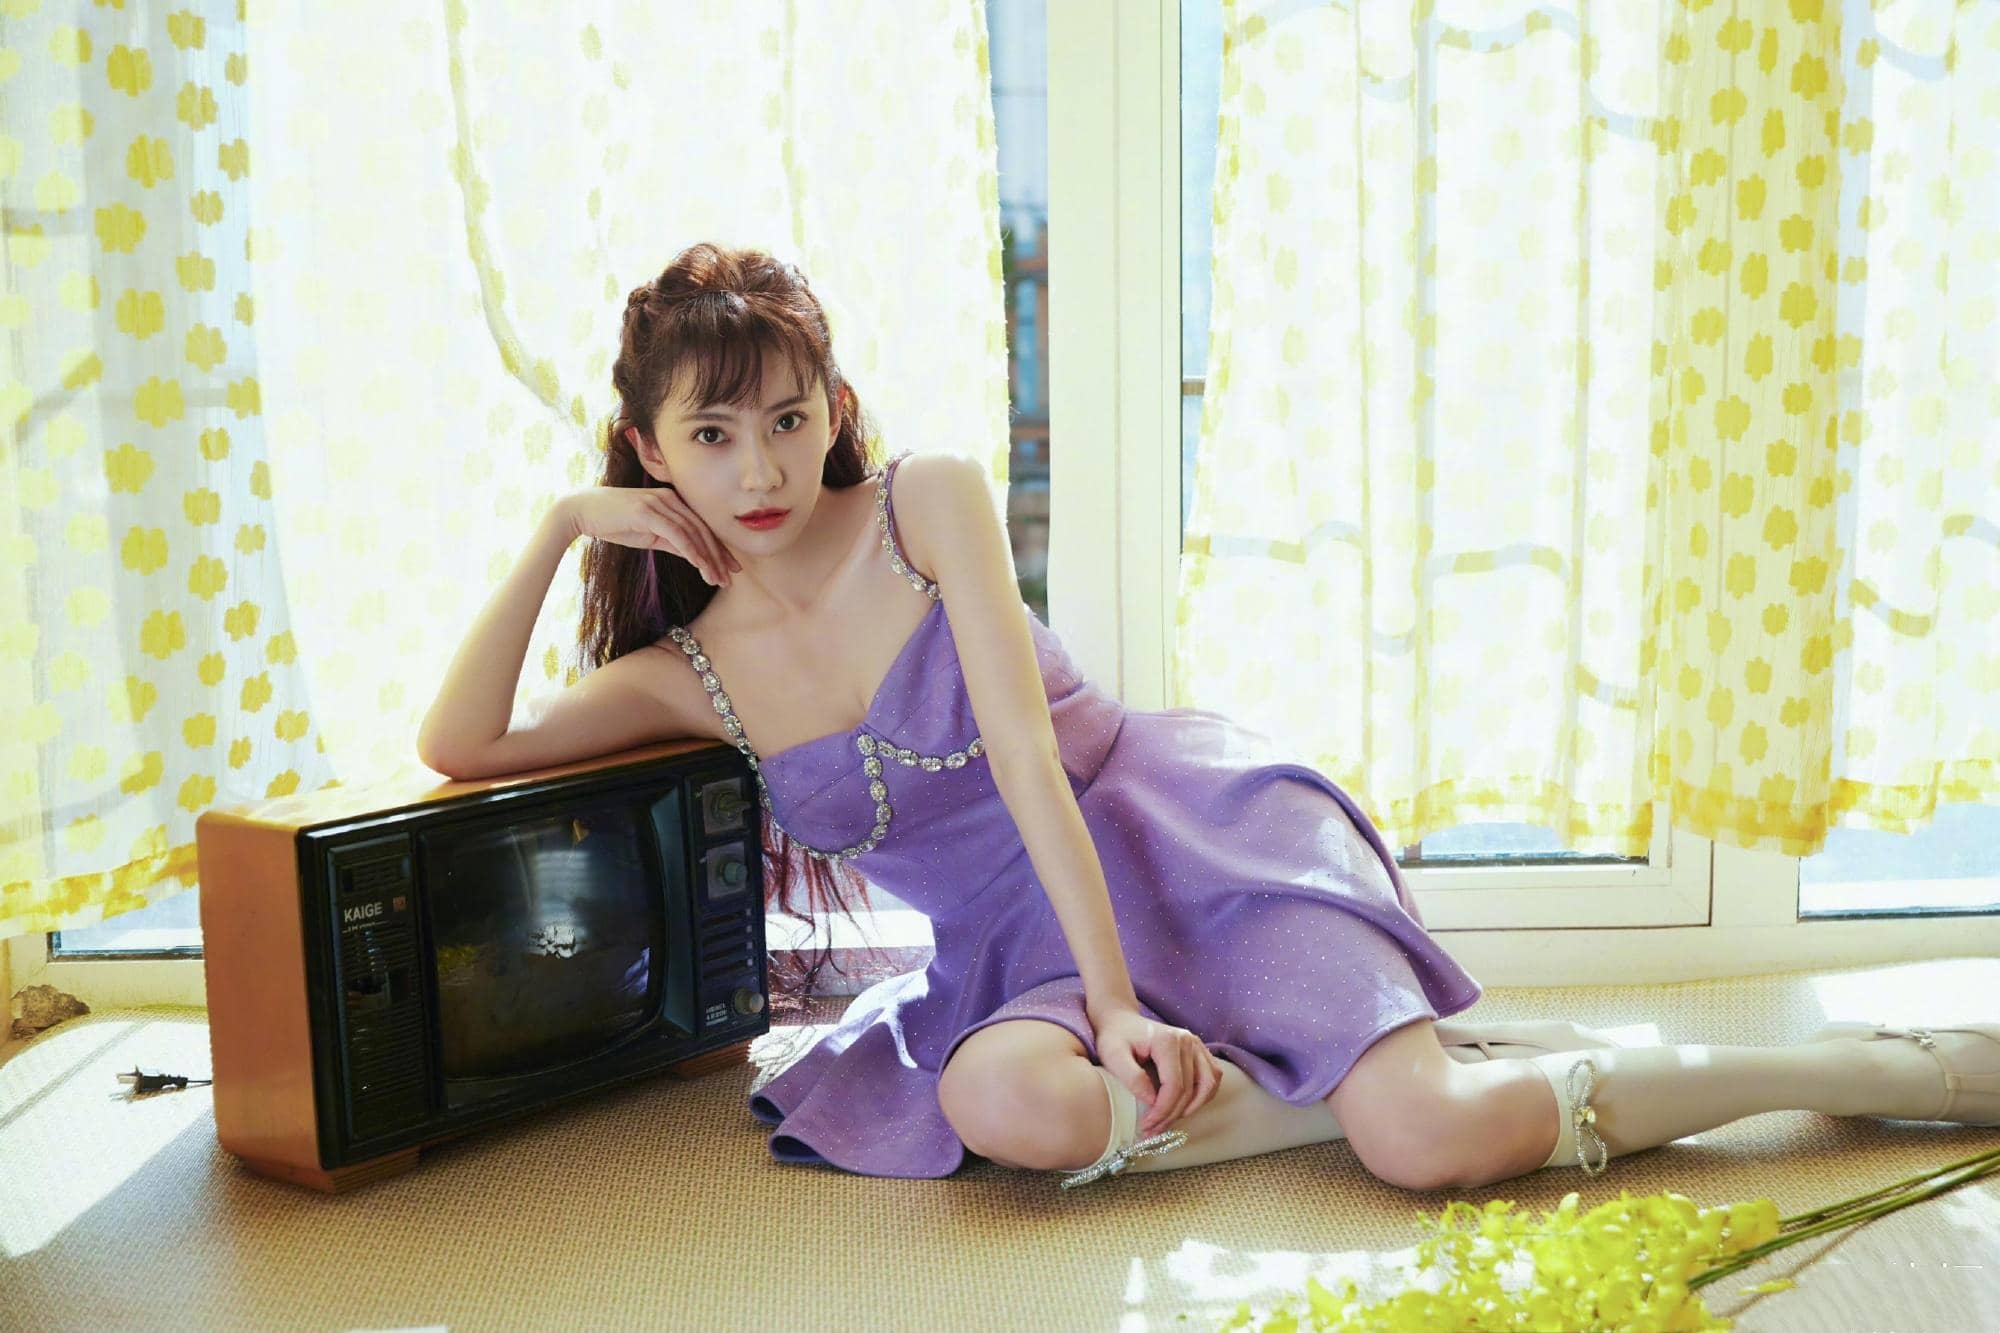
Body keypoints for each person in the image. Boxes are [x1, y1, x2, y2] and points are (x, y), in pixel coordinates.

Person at [417, 242, 1999, 1194]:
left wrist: (1117, 1005)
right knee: (994, 1102)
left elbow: (1029, 765)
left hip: (1181, 841)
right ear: (650, 451)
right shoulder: (688, 671)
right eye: (711, 435)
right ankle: (1344, 1080)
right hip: (1016, 955)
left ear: (833, 405)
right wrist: (559, 529)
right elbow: (460, 741)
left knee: (1429, 1147)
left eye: (785, 415)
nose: (760, 467)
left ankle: (1860, 1065)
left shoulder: (925, 502)